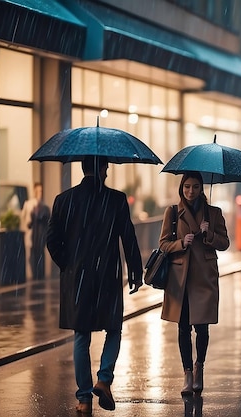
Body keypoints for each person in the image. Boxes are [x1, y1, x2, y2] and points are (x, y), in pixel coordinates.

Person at [46, 156, 143, 414]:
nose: (108, 172)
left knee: (81, 335)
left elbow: (52, 239)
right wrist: (135, 270)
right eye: (107, 168)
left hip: (77, 278)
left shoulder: (64, 200)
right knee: (114, 329)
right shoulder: (116, 200)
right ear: (101, 169)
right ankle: (104, 379)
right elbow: (129, 238)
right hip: (108, 277)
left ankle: (84, 397)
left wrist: (68, 264)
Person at [158, 171, 230, 397]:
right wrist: (181, 242)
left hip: (204, 277)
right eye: (187, 186)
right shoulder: (171, 212)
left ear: (201, 189)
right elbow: (163, 245)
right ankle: (187, 373)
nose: (191, 191)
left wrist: (209, 235)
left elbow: (225, 243)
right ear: (182, 188)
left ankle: (200, 367)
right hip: (181, 278)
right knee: (183, 327)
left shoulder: (214, 213)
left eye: (195, 187)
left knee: (202, 327)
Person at [20, 182, 50, 280]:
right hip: (31, 234)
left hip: (40, 235)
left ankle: (40, 274)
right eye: (37, 191)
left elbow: (47, 220)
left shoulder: (44, 207)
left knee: (40, 254)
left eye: (40, 191)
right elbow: (24, 219)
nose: (39, 193)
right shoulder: (28, 205)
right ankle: (34, 274)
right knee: (31, 255)